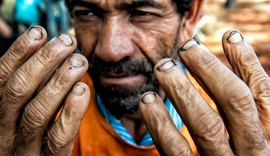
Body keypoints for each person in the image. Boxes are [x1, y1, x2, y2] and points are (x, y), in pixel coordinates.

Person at [1, 0, 270, 155]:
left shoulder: (239, 131)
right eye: (88, 13)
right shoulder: (34, 123)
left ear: (190, 15)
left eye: (142, 13)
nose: (110, 50)